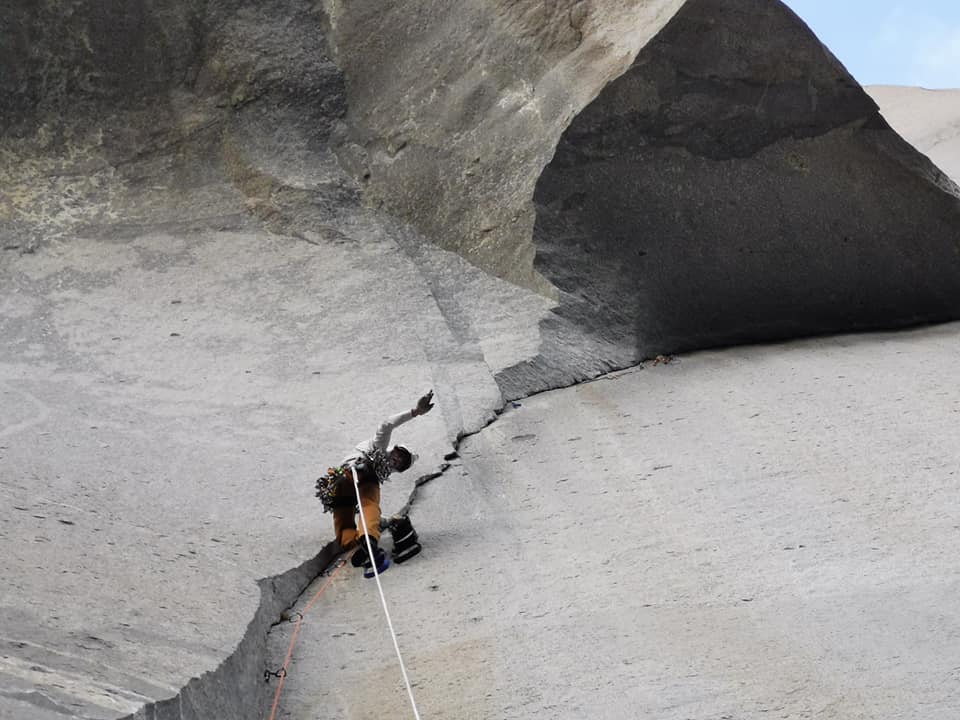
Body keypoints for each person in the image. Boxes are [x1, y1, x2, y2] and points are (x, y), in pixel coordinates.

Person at [326, 390, 434, 577]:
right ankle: (369, 542)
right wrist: (415, 412)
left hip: (340, 483)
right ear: (393, 450)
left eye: (401, 463)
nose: (397, 461)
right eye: (398, 456)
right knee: (369, 504)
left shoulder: (381, 468)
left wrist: (384, 523)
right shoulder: (379, 450)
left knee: (347, 521)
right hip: (357, 473)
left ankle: (362, 545)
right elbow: (386, 425)